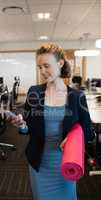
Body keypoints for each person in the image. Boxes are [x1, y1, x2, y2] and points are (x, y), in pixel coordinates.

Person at [11, 43, 95, 200]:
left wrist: (74, 139)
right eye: (39, 67)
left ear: (60, 63)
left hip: (66, 163)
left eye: (46, 66)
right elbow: (28, 126)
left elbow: (88, 134)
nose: (42, 71)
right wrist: (22, 124)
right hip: (39, 162)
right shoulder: (34, 92)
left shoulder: (77, 97)